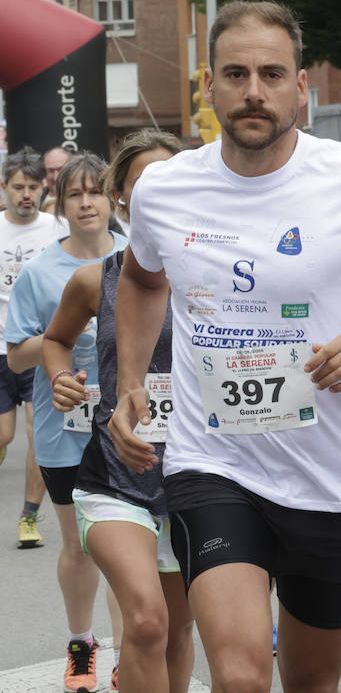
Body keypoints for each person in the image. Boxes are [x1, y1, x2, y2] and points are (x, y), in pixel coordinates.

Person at [109, 0, 341, 692]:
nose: (253, 90)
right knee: (242, 677)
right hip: (213, 463)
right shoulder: (163, 186)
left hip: (331, 478)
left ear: (301, 87)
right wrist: (131, 380)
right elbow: (140, 278)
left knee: (311, 682)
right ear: (207, 85)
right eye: (235, 73)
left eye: (272, 73)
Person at [45, 129, 195, 693]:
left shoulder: (226, 280)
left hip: (200, 475)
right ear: (124, 199)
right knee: (148, 622)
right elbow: (56, 340)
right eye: (144, 184)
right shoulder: (96, 279)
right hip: (115, 475)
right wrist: (62, 378)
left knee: (179, 632)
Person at [5, 152, 127, 693]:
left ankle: (128, 652)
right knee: (79, 546)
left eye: (96, 192)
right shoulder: (39, 271)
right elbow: (16, 356)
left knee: (131, 544)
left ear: (111, 199)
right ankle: (82, 645)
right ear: (62, 203)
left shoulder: (137, 258)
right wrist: (70, 333)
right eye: (75, 195)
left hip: (128, 423)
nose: (86, 203)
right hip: (64, 429)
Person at [0, 147, 67, 549]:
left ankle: (29, 515)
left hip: (40, 344)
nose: (27, 195)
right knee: (5, 434)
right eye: (18, 188)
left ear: (43, 187)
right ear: (3, 189)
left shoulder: (55, 227)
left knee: (35, 432)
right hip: (0, 348)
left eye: (33, 187)